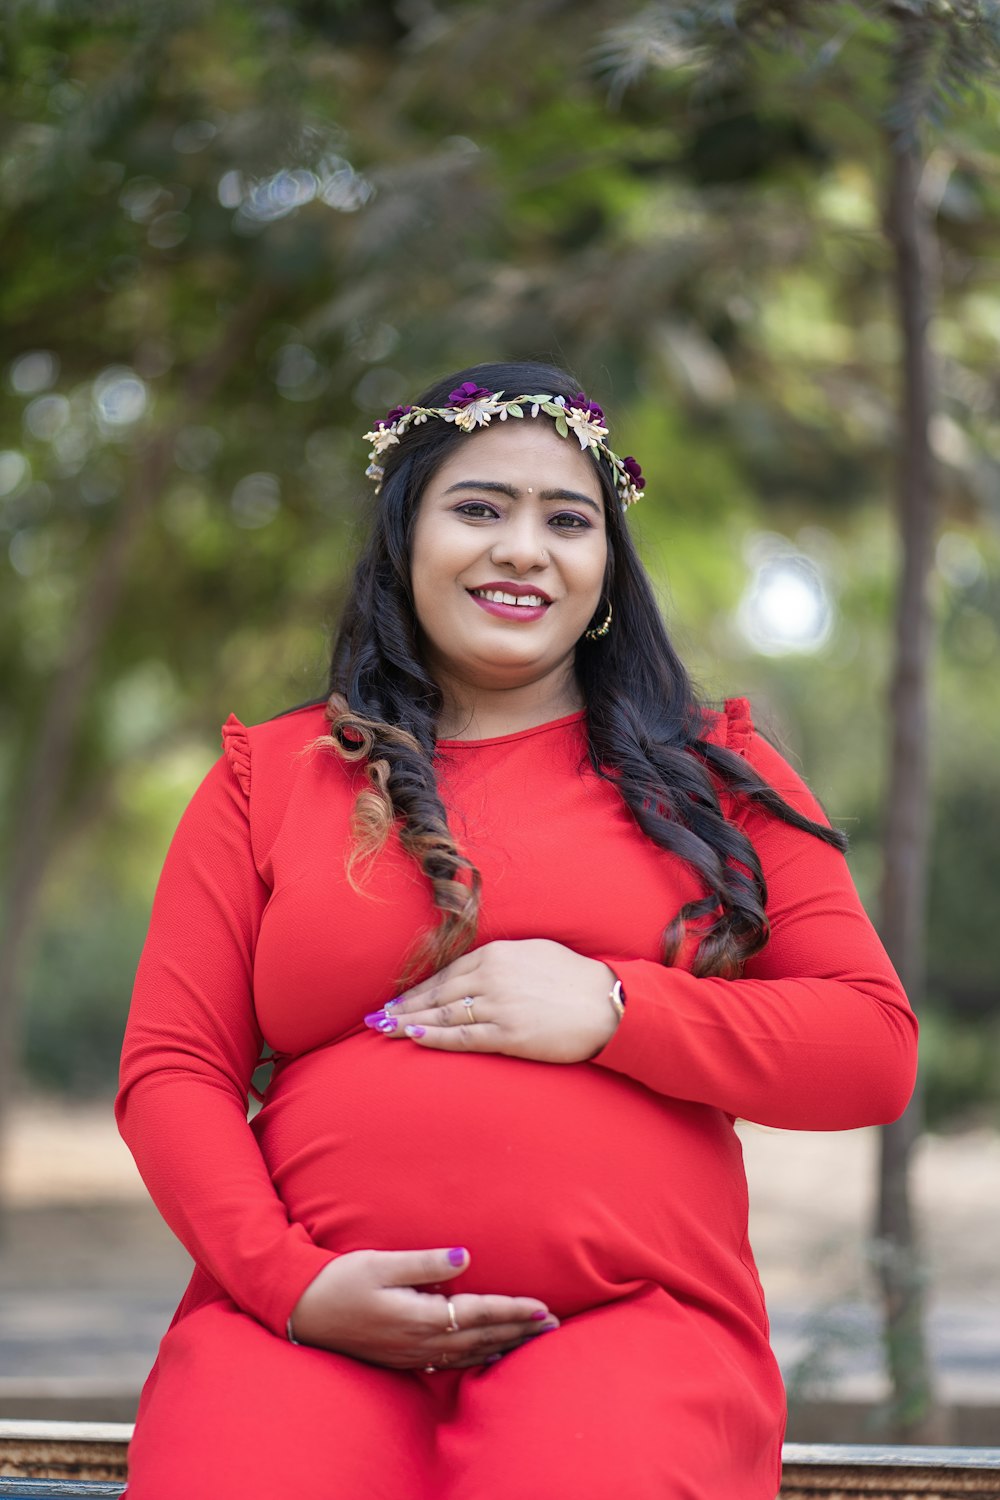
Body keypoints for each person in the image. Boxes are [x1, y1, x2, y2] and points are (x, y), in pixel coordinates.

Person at [116, 359, 918, 1500]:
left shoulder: (714, 777)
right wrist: (288, 1283)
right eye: (478, 508)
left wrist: (613, 1008)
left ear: (604, 568)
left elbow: (869, 1048)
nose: (522, 548)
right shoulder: (272, 777)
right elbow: (171, 1070)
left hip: (630, 1325)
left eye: (566, 519)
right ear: (405, 539)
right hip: (303, 1323)